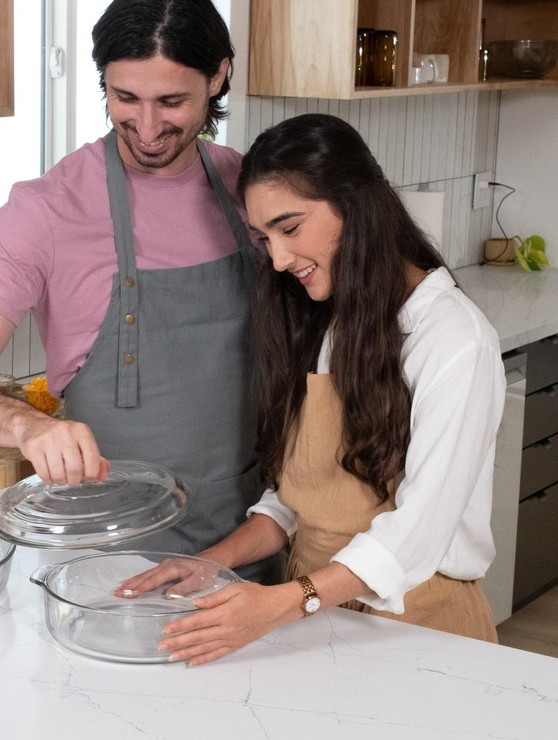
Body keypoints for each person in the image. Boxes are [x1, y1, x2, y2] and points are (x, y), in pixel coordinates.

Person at [0, 0, 274, 581]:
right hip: (109, 562)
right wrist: (25, 425)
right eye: (124, 98)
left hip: (258, 540)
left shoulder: (254, 188)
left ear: (218, 77)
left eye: (172, 102)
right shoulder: (46, 209)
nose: (149, 127)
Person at [117, 113, 506, 665]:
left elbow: (417, 534)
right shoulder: (334, 319)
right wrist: (215, 562)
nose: (277, 259)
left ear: (354, 205)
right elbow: (299, 501)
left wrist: (279, 604)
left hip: (421, 627)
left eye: (290, 227)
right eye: (265, 238)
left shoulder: (453, 338)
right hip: (321, 618)